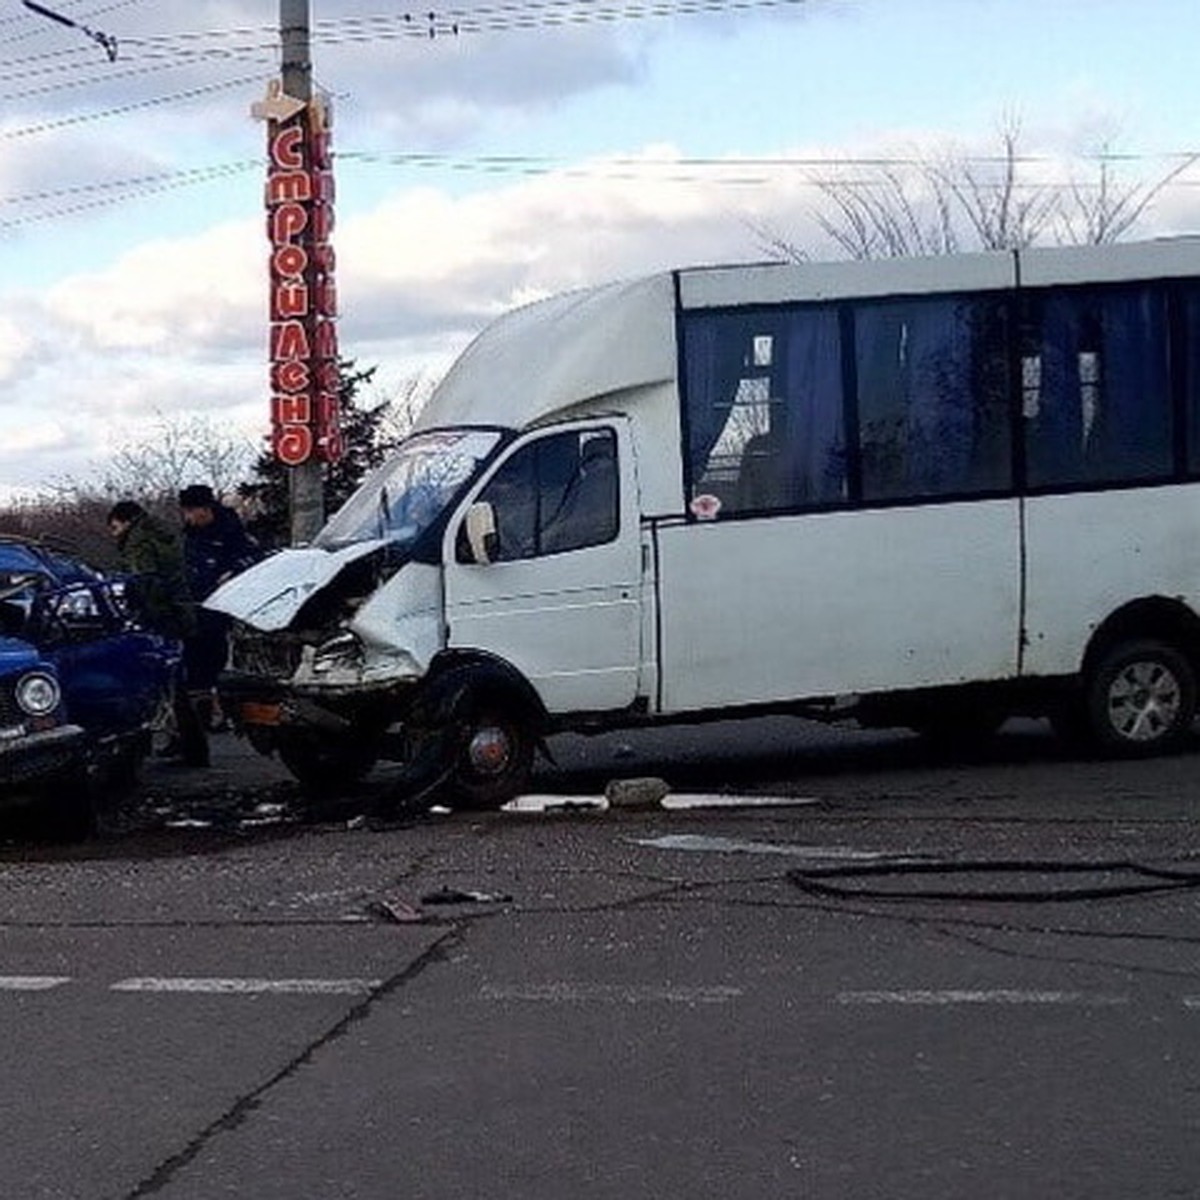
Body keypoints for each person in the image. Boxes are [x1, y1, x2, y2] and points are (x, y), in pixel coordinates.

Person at [107, 500, 210, 768]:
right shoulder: (162, 532)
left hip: (162, 619)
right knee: (179, 686)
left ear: (126, 521)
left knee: (171, 688)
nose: (114, 534)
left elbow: (146, 582)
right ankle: (191, 746)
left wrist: (145, 616)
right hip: (180, 612)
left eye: (115, 527)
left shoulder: (138, 541)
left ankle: (190, 749)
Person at [177, 484, 262, 732]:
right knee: (195, 663)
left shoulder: (231, 531)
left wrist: (231, 573)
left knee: (218, 659)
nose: (189, 518)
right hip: (197, 604)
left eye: (192, 511)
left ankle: (221, 710)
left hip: (224, 605)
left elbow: (252, 559)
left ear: (205, 509)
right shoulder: (191, 536)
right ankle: (201, 715)